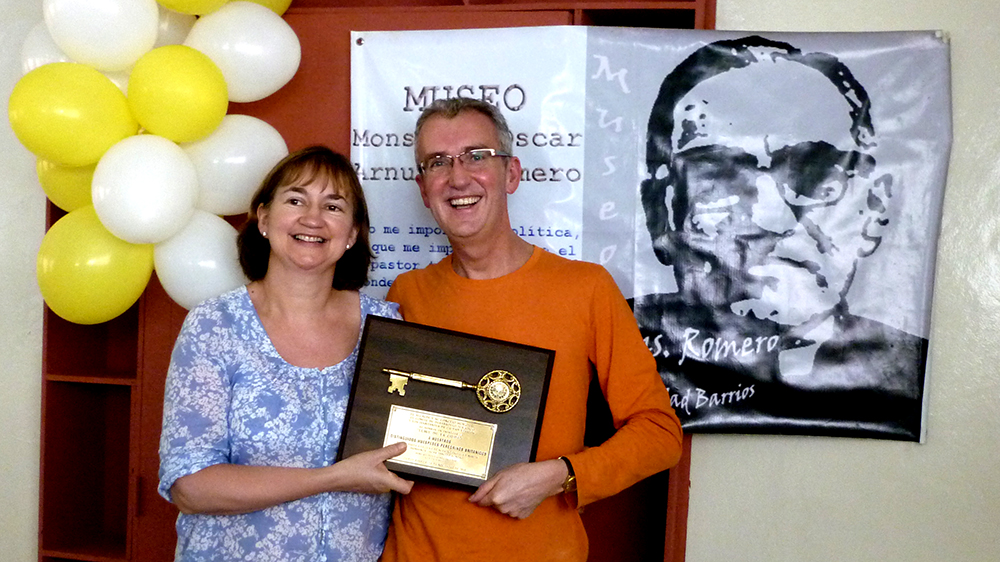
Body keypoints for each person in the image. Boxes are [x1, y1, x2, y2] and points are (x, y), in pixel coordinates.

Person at [380, 97, 683, 561]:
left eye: (477, 156)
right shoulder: (408, 292)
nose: (458, 177)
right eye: (438, 162)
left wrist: (560, 475)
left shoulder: (586, 289)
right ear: (424, 190)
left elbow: (660, 434)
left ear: (512, 173)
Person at [634, 35, 928, 439]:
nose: (768, 216)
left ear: (874, 207)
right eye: (718, 176)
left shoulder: (910, 372)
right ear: (659, 211)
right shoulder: (599, 357)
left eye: (814, 174)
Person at [158, 146, 414, 562]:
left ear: (351, 234)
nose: (312, 218)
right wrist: (331, 478)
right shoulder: (214, 327)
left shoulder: (386, 328)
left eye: (333, 206)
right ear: (263, 218)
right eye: (295, 200)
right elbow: (189, 485)